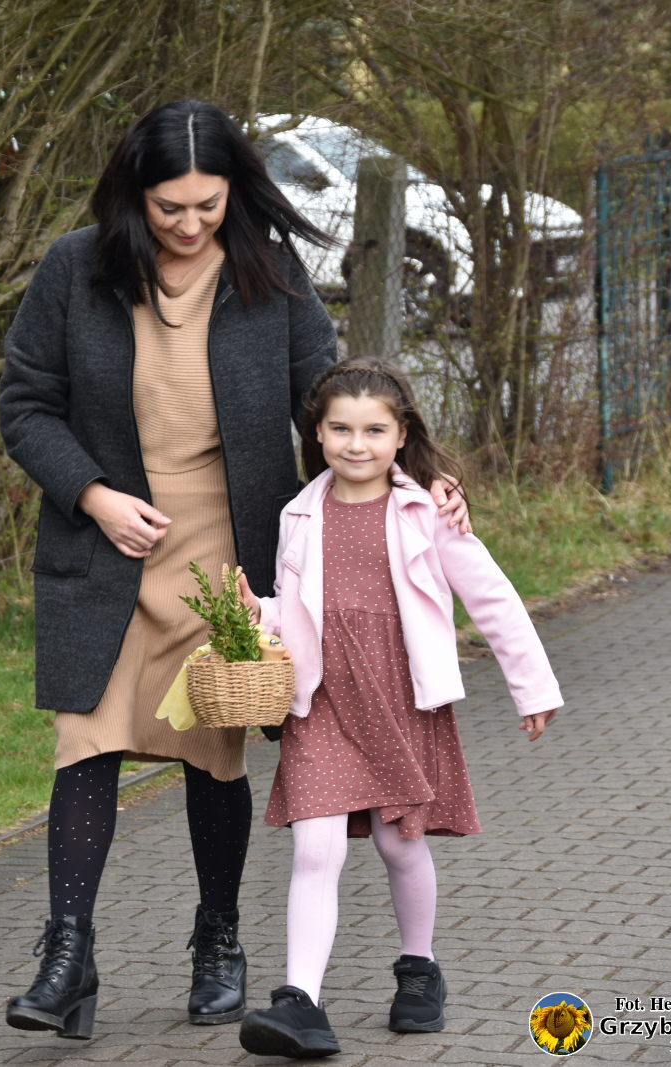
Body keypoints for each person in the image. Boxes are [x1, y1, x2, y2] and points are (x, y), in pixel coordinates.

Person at [0, 100, 469, 1041]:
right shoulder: (74, 269)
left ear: (233, 194)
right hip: (105, 545)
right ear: (134, 195)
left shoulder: (269, 274)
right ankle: (67, 956)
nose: (188, 223)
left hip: (227, 555)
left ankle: (219, 942)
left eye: (206, 205)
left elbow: (336, 407)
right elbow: (26, 404)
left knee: (212, 748)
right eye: (168, 206)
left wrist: (422, 480)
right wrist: (92, 493)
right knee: (85, 738)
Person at [233, 359, 562, 1059]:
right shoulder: (300, 513)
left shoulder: (427, 510)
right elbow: (296, 608)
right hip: (322, 699)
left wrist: (532, 687)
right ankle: (300, 1002)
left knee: (398, 844)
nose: (357, 444)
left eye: (374, 430)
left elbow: (492, 597)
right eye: (341, 429)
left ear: (401, 433)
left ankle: (419, 968)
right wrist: (256, 612)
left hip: (400, 696)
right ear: (318, 433)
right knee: (315, 848)